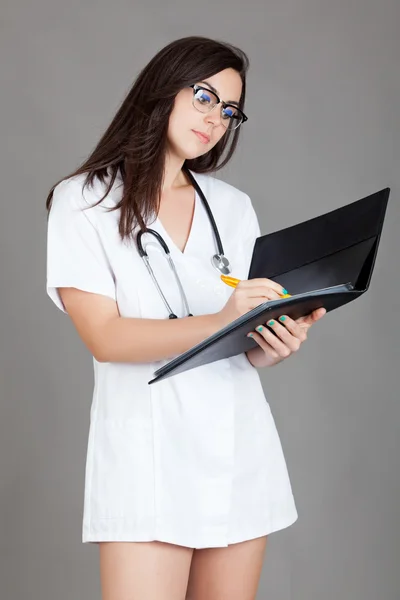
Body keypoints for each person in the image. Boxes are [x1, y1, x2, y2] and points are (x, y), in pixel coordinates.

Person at [45, 35, 326, 600]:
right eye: (204, 96)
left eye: (229, 111)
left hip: (236, 453)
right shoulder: (85, 201)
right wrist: (222, 317)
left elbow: (240, 342)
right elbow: (104, 337)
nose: (216, 119)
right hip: (146, 463)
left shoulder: (233, 207)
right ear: (162, 88)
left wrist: (272, 342)